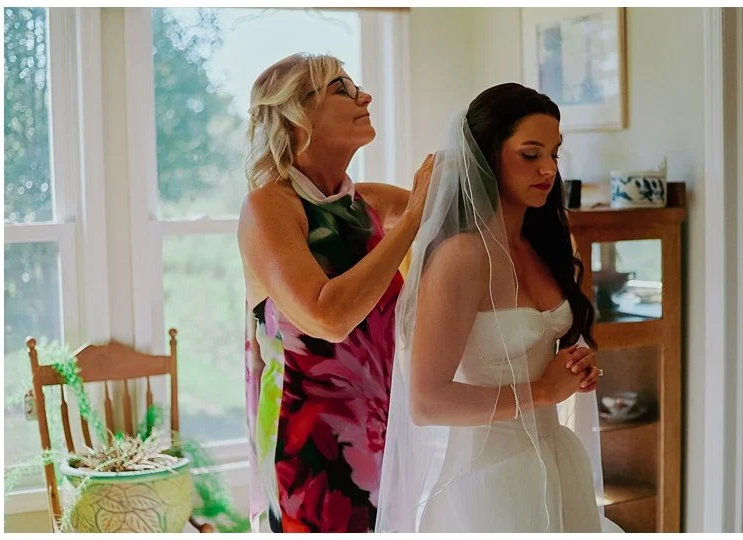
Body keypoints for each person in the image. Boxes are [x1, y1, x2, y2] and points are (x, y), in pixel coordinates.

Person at [375, 83, 624, 533]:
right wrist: (545, 391)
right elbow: (427, 403)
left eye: (554, 154)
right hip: (489, 483)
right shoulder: (462, 258)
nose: (548, 169)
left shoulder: (542, 245)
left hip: (556, 458)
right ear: (488, 155)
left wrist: (574, 365)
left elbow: (541, 355)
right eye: (531, 154)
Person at [238, 53, 431, 533]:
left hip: (384, 430)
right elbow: (327, 318)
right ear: (298, 114)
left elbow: (468, 228)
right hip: (307, 449)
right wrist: (409, 223)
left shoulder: (368, 203)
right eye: (343, 89)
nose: (365, 97)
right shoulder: (269, 207)